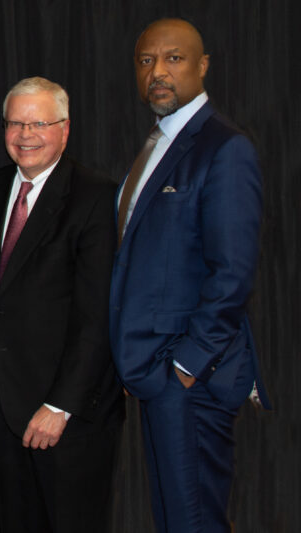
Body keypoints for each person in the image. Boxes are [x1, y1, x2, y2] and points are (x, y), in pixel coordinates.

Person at [111, 18, 270, 533]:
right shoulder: (157, 145)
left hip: (191, 378)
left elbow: (233, 274)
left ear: (203, 66)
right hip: (155, 373)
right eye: (146, 61)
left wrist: (185, 367)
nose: (158, 71)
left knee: (193, 524)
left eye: (173, 59)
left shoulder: (224, 149)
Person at [0, 77, 124, 532]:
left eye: (39, 122)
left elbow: (98, 315)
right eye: (15, 123)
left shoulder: (97, 197)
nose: (25, 134)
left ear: (65, 128)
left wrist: (60, 406)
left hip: (66, 418)